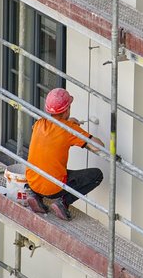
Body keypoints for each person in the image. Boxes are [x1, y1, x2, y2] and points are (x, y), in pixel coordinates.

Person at [25, 87, 104, 220]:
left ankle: (34, 195)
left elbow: (54, 134)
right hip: (53, 189)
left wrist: (69, 124)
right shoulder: (69, 130)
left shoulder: (39, 124)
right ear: (67, 109)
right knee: (96, 175)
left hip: (32, 181)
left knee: (46, 164)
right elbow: (98, 146)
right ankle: (63, 202)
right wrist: (75, 129)